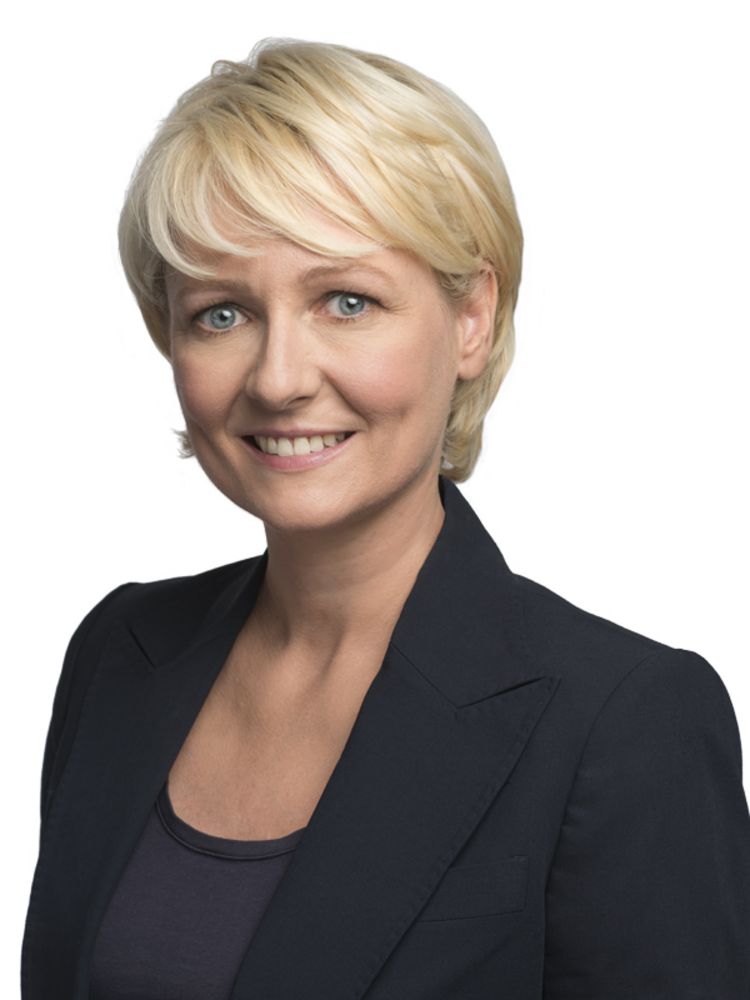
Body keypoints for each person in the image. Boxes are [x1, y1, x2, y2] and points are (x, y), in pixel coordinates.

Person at [20, 38, 750, 1000]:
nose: (279, 378)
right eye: (221, 314)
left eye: (347, 301)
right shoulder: (119, 651)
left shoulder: (624, 721)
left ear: (472, 319)